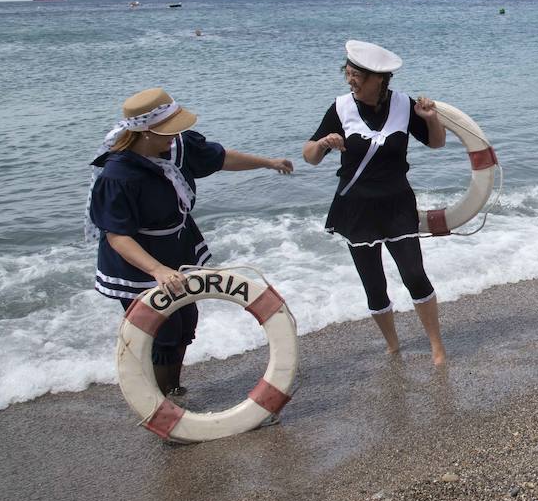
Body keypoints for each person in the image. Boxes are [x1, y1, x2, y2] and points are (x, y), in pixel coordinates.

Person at [89, 89, 294, 396]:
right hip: (139, 260)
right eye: (169, 130)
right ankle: (158, 403)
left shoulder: (178, 146)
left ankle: (173, 389)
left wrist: (268, 162)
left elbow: (222, 158)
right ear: (145, 133)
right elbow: (118, 236)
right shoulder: (118, 175)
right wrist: (157, 270)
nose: (177, 135)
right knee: (163, 331)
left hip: (178, 245)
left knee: (186, 321)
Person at [303, 40, 448, 364]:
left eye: (357, 75)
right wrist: (325, 142)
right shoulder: (340, 108)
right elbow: (309, 156)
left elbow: (436, 143)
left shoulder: (403, 105)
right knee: (374, 284)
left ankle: (436, 346)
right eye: (349, 73)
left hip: (397, 204)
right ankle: (393, 344)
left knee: (414, 274)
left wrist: (430, 118)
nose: (350, 80)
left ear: (378, 78)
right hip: (357, 207)